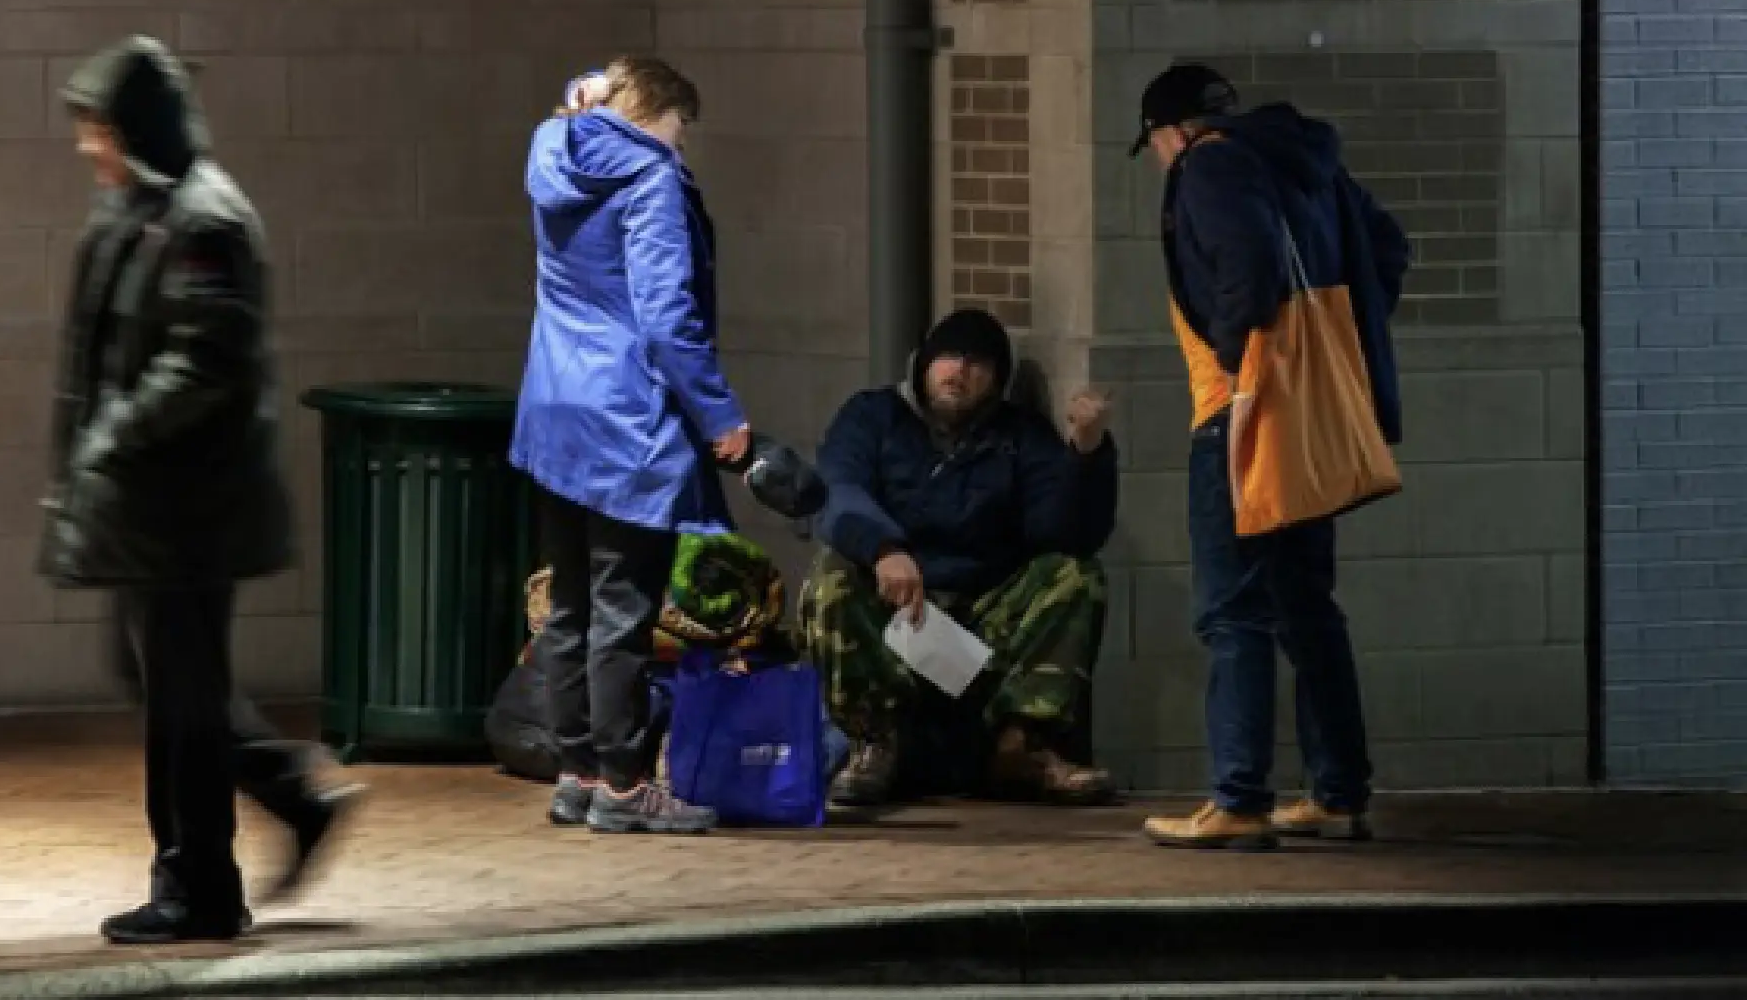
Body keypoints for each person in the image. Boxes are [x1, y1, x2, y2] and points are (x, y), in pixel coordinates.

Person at [38, 36, 359, 944]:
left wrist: (115, 432)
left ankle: (201, 887)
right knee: (164, 683)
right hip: (154, 506)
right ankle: (288, 803)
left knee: (182, 698)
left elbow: (204, 361)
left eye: (95, 129)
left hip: (188, 509)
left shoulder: (204, 220)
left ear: (132, 128)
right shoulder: (146, 208)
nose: (84, 147)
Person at [1128, 63, 1408, 851]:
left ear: (1172, 131)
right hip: (1312, 414)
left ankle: (1239, 795)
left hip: (1241, 412)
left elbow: (1246, 265)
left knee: (1232, 607)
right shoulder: (1308, 164)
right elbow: (1390, 248)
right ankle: (1339, 792)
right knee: (1306, 606)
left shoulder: (1208, 164)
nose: (1159, 158)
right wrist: (1332, 346)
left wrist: (1239, 354)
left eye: (1153, 143)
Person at [510, 56, 752, 836]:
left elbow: (585, 92)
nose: (683, 147)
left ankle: (576, 771)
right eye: (680, 128)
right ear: (657, 115)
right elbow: (665, 317)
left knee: (569, 606)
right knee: (624, 608)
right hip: (627, 422)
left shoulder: (554, 145)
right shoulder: (649, 180)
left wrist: (586, 87)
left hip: (554, 410)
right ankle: (623, 782)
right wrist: (720, 415)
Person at [799, 307, 1119, 807]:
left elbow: (1064, 534)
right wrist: (884, 549)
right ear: (923, 364)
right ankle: (872, 740)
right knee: (831, 574)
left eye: (977, 363)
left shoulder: (1020, 435)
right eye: (948, 357)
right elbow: (837, 491)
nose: (959, 372)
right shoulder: (873, 416)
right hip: (897, 608)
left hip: (980, 615)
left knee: (1074, 576)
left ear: (996, 380)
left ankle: (1023, 746)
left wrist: (1086, 453)